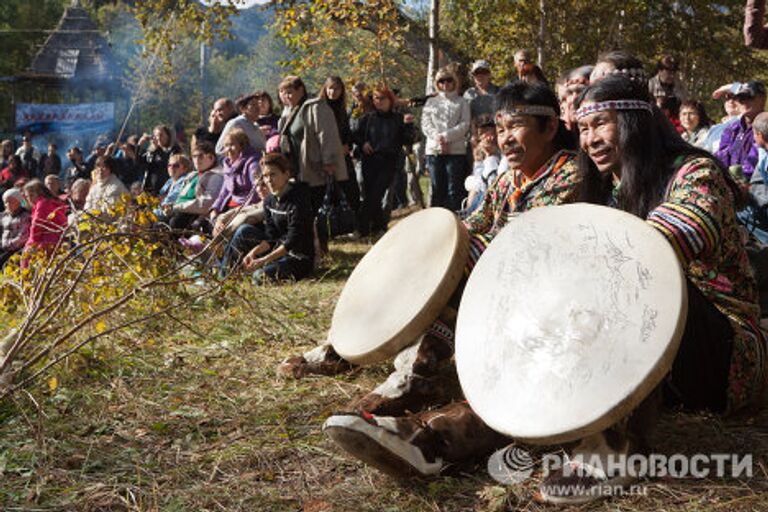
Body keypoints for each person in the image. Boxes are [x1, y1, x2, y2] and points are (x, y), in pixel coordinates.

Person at [319, 80, 583, 480]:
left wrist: (465, 251)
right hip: (503, 293)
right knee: (444, 256)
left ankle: (419, 381)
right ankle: (358, 351)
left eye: (517, 126)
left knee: (468, 263)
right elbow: (469, 224)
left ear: (549, 128)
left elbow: (528, 242)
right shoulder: (506, 179)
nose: (506, 138)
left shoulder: (571, 174)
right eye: (501, 127)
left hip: (547, 302)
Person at [241, 153, 315, 283]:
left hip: (298, 258)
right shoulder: (269, 201)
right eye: (265, 176)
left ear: (286, 174)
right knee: (243, 231)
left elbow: (292, 240)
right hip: (278, 252)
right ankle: (225, 274)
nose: (268, 180)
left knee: (259, 277)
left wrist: (264, 260)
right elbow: (271, 237)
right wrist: (253, 252)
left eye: (273, 174)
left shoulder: (299, 200)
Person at [353, 85, 416, 236]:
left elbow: (407, 140)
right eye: (376, 98)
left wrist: (409, 126)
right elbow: (355, 135)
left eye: (382, 98)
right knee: (370, 194)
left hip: (389, 161)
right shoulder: (367, 118)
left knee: (377, 193)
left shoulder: (398, 119)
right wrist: (363, 144)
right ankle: (378, 227)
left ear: (390, 100)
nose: (379, 101)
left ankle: (361, 227)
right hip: (370, 160)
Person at [421, 66, 471, 211]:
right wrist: (438, 138)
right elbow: (425, 124)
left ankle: (455, 219)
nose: (445, 84)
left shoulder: (462, 102)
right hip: (434, 150)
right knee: (437, 189)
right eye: (441, 81)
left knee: (454, 189)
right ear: (437, 83)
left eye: (449, 80)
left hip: (456, 151)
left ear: (454, 82)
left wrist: (445, 136)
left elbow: (465, 124)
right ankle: (436, 223)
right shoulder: (431, 102)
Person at [320, 76, 362, 214]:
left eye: (336, 88)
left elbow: (346, 132)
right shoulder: (319, 108)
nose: (333, 92)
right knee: (328, 192)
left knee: (351, 188)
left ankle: (356, 223)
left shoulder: (341, 108)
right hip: (324, 157)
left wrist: (347, 145)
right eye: (330, 88)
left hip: (342, 156)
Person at [167, 142, 224, 233]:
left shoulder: (216, 176)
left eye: (200, 156)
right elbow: (180, 197)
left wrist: (177, 207)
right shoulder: (192, 175)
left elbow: (205, 204)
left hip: (195, 216)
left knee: (174, 223)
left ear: (211, 158)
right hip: (178, 210)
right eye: (194, 156)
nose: (196, 160)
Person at [208, 129, 261, 224]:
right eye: (226, 146)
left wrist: (239, 212)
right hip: (230, 206)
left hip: (246, 208)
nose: (228, 149)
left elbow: (256, 191)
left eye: (232, 145)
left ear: (242, 145)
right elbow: (224, 192)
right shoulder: (228, 166)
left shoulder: (252, 163)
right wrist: (215, 209)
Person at [716, 81, 766, 181]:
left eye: (749, 97)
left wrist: (739, 179)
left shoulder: (765, 127)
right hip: (730, 184)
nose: (743, 102)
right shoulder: (732, 129)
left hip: (757, 186)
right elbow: (721, 156)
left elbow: (754, 161)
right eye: (740, 98)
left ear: (762, 99)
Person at [22, 179, 67, 259]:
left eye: (31, 195)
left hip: (48, 240)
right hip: (58, 238)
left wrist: (32, 243)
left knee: (26, 258)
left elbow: (37, 224)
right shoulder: (52, 201)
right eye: (27, 196)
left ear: (40, 193)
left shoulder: (42, 204)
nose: (29, 199)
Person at [137, 125, 182, 195]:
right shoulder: (151, 152)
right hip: (150, 189)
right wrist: (139, 145)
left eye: (161, 135)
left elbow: (168, 164)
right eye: (156, 136)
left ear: (168, 136)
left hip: (166, 189)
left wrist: (158, 149)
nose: (158, 138)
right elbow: (138, 162)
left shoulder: (174, 150)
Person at [156, 154, 193, 222]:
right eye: (169, 165)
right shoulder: (170, 181)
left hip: (171, 215)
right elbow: (159, 198)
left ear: (185, 168)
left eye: (176, 166)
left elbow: (168, 201)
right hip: (160, 212)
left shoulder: (184, 181)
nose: (171, 168)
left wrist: (151, 213)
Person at [0, 188, 31, 267]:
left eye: (11, 201)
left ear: (19, 201)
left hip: (16, 249)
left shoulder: (25, 216)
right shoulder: (3, 216)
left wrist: (7, 245)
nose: (7, 204)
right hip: (3, 246)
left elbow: (22, 237)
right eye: (6, 202)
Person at [463, 60, 500, 125]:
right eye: (476, 73)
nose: (480, 76)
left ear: (489, 74)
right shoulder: (468, 94)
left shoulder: (498, 92)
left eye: (483, 72)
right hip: (475, 131)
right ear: (473, 76)